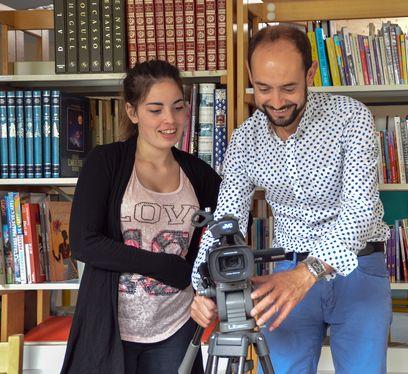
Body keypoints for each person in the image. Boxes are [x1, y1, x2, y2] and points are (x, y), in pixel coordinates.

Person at [190, 25, 391, 374]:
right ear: (251, 75)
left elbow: (360, 210)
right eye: (264, 88)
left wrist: (307, 273)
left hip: (358, 270)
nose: (278, 102)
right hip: (283, 277)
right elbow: (225, 221)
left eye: (289, 88)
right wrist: (203, 286)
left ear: (310, 73)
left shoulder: (350, 117)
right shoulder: (245, 140)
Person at [61, 60, 221, 374]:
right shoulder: (105, 163)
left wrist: (205, 288)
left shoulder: (199, 175)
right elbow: (84, 243)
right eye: (155, 109)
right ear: (133, 112)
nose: (170, 120)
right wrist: (166, 267)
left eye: (178, 107)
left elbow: (226, 234)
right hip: (111, 325)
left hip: (176, 325)